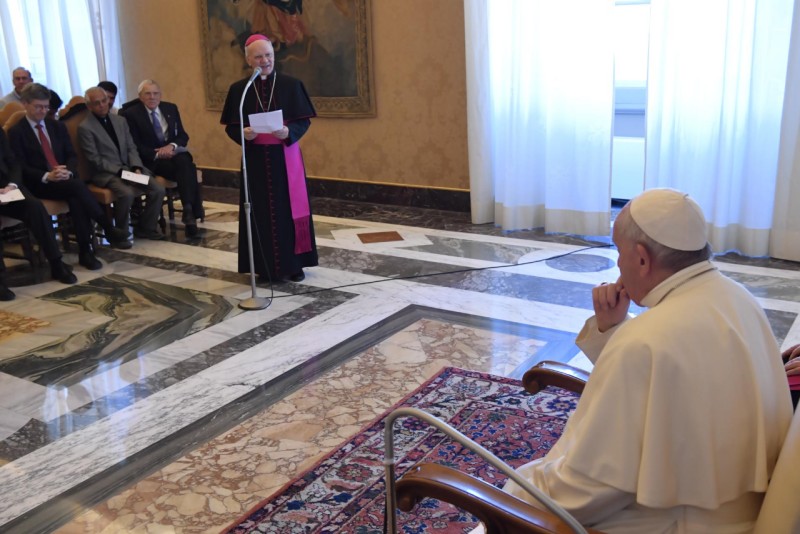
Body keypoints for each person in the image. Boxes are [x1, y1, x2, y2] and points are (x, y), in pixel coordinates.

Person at [503, 188, 793, 532]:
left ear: (642, 259)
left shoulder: (644, 340)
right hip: (733, 508)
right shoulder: (737, 297)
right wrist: (613, 328)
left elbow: (589, 491)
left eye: (619, 251)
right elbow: (674, 388)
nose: (618, 265)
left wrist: (520, 493)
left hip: (673, 522)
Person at [220, 33, 318, 283]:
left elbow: (303, 121)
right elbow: (231, 126)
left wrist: (289, 132)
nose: (265, 61)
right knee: (258, 212)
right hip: (255, 160)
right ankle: (263, 267)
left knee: (288, 211)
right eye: (258, 57)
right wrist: (243, 134)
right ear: (248, 60)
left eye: (269, 55)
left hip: (285, 159)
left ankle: (294, 265)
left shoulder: (291, 85)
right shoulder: (239, 90)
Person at [7, 83, 130, 268]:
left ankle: (86, 251)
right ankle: (106, 228)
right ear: (25, 104)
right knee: (77, 187)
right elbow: (20, 166)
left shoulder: (56, 126)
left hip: (64, 180)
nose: (43, 111)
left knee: (76, 197)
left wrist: (68, 171)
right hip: (38, 183)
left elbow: (71, 156)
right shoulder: (17, 132)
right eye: (38, 107)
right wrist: (47, 175)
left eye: (46, 107)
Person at [77, 87, 165, 242]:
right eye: (97, 103)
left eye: (104, 101)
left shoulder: (120, 121)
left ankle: (146, 228)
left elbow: (131, 147)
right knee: (126, 193)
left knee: (157, 189)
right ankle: (120, 234)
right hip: (107, 174)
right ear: (89, 106)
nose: (102, 105)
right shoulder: (85, 127)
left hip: (129, 170)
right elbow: (94, 159)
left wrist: (136, 167)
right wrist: (119, 171)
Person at [0, 127, 77, 300]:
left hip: (6, 189)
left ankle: (56, 262)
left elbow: (12, 162)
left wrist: (12, 185)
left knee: (34, 207)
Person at [121, 79, 202, 237]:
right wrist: (159, 153)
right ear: (140, 96)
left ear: (160, 95)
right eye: (148, 94)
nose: (152, 97)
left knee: (184, 161)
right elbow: (134, 145)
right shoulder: (131, 114)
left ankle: (188, 210)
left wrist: (171, 146)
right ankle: (190, 213)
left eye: (155, 93)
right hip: (153, 160)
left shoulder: (170, 108)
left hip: (173, 155)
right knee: (188, 168)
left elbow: (182, 135)